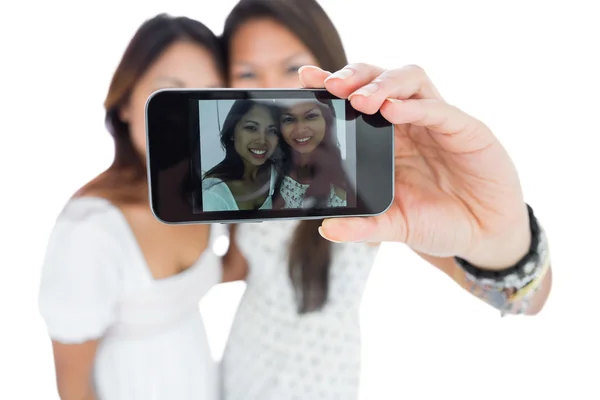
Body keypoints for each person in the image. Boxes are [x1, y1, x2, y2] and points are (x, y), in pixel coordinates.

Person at [218, 1, 553, 400]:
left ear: (324, 68)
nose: (272, 90)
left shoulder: (367, 180)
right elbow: (242, 266)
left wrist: (500, 237)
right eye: (247, 73)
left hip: (317, 385)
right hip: (240, 368)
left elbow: (526, 301)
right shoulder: (250, 169)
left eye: (292, 69)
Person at [37, 14, 232, 400]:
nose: (192, 117)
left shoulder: (207, 193)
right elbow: (73, 384)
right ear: (125, 104)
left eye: (210, 96)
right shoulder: (90, 231)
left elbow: (227, 269)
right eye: (169, 94)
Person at [201, 99, 287, 211]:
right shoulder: (212, 193)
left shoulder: (279, 173)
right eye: (251, 128)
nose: (262, 140)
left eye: (272, 131)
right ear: (232, 132)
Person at [275, 98, 350, 209]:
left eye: (311, 117)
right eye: (289, 119)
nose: (300, 129)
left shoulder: (336, 171)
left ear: (328, 124)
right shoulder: (270, 171)